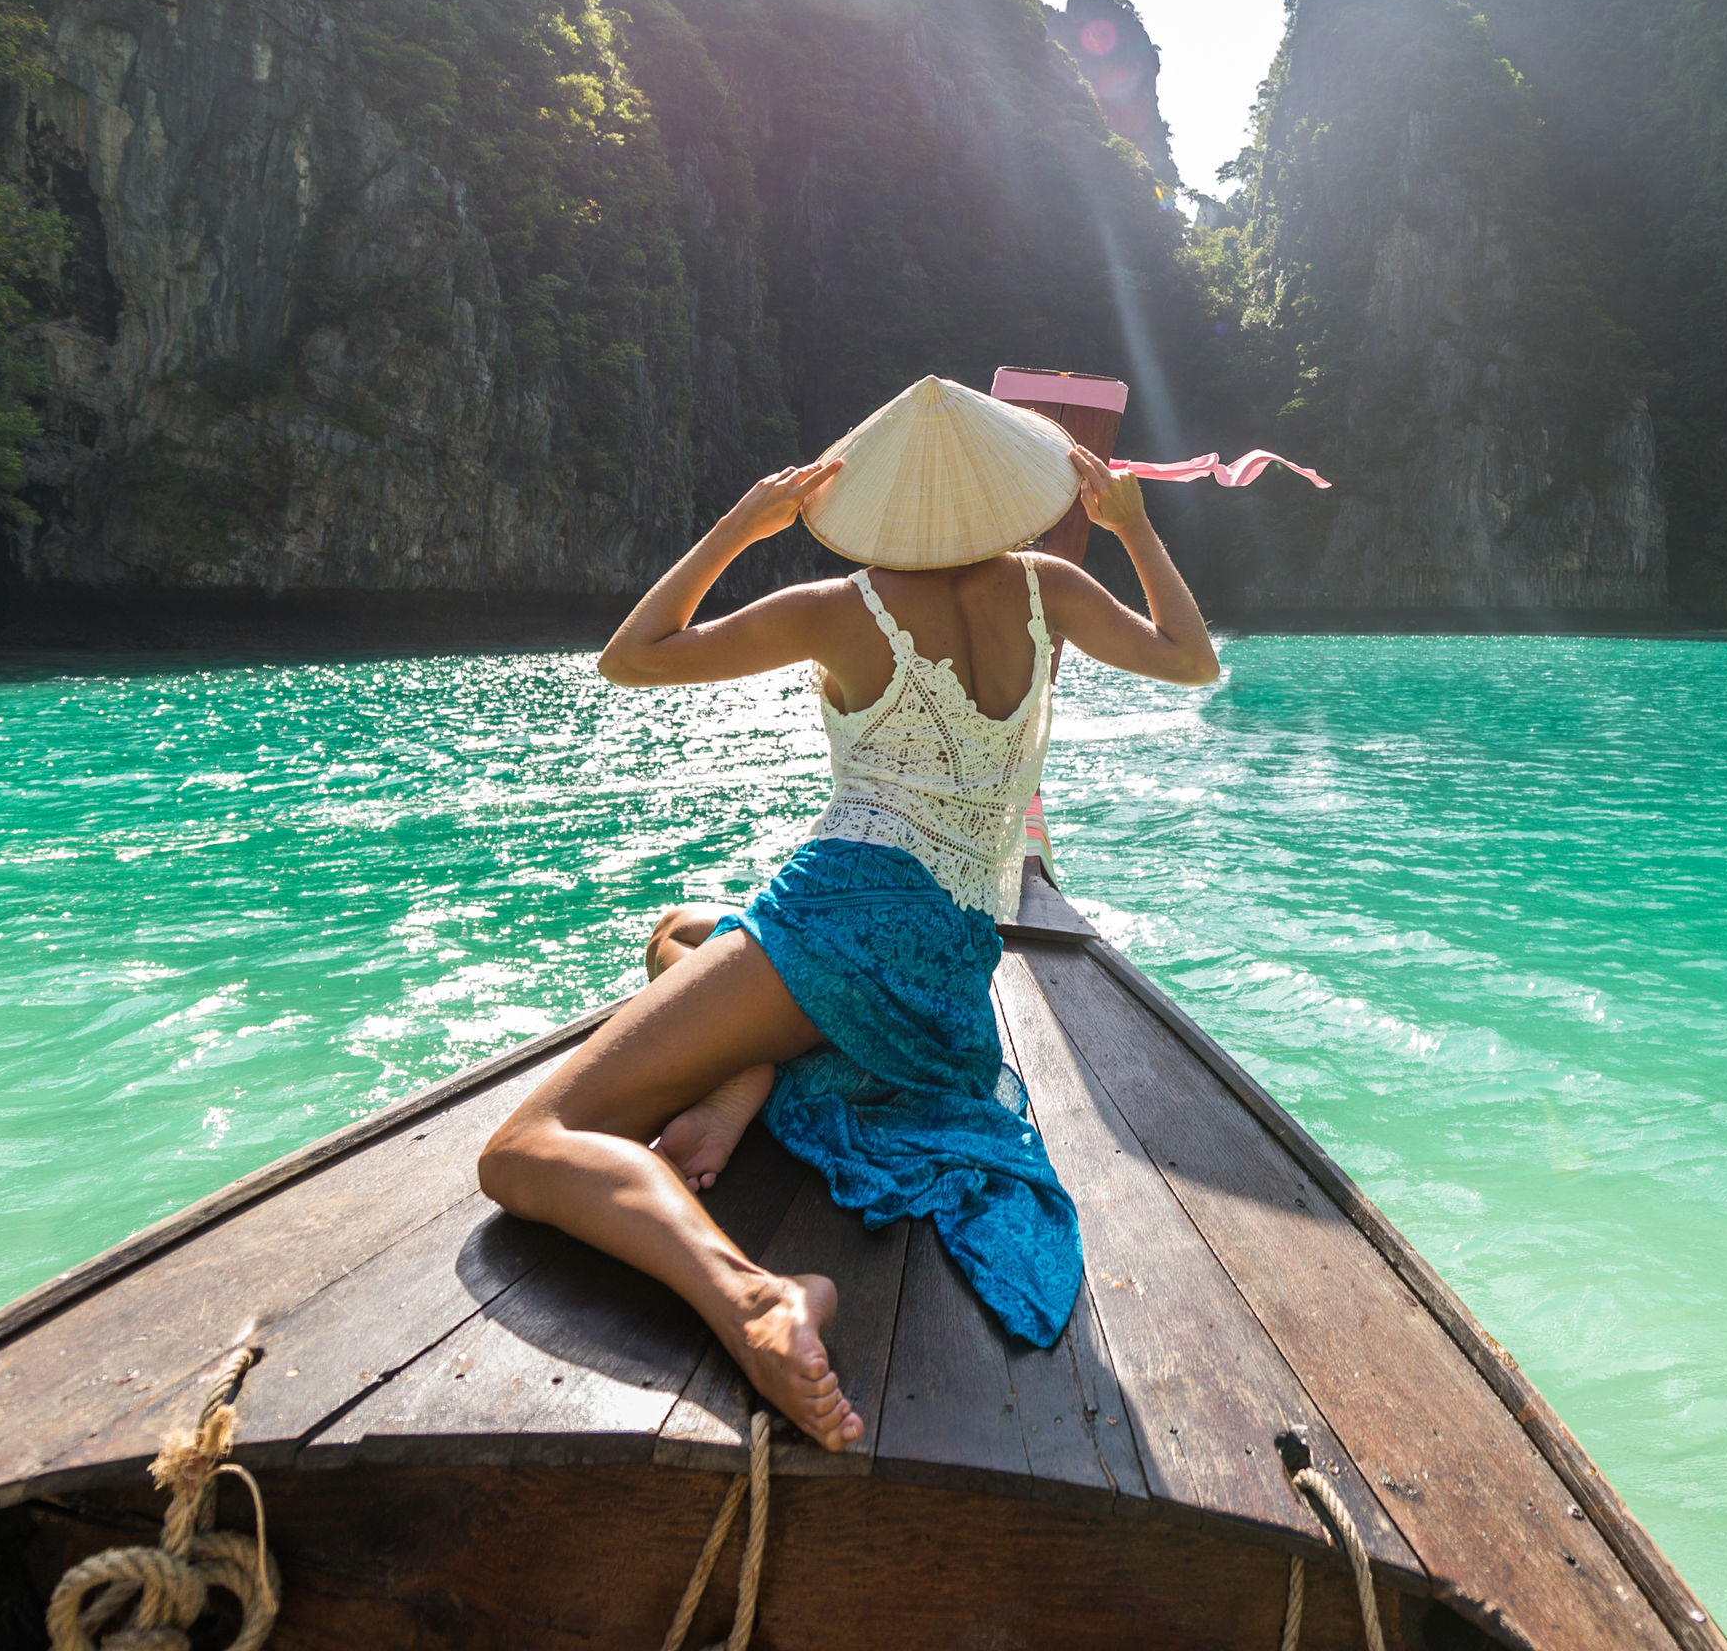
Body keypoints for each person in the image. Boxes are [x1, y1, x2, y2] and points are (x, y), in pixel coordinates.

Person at [475, 377, 1221, 1451]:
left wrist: (742, 523)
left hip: (845, 915)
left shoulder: (841, 608)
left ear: (877, 503)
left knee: (525, 1148)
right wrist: (1137, 533)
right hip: (953, 967)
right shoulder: (1050, 588)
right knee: (681, 935)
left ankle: (754, 1299)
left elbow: (631, 658)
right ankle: (749, 1075)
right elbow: (1190, 659)